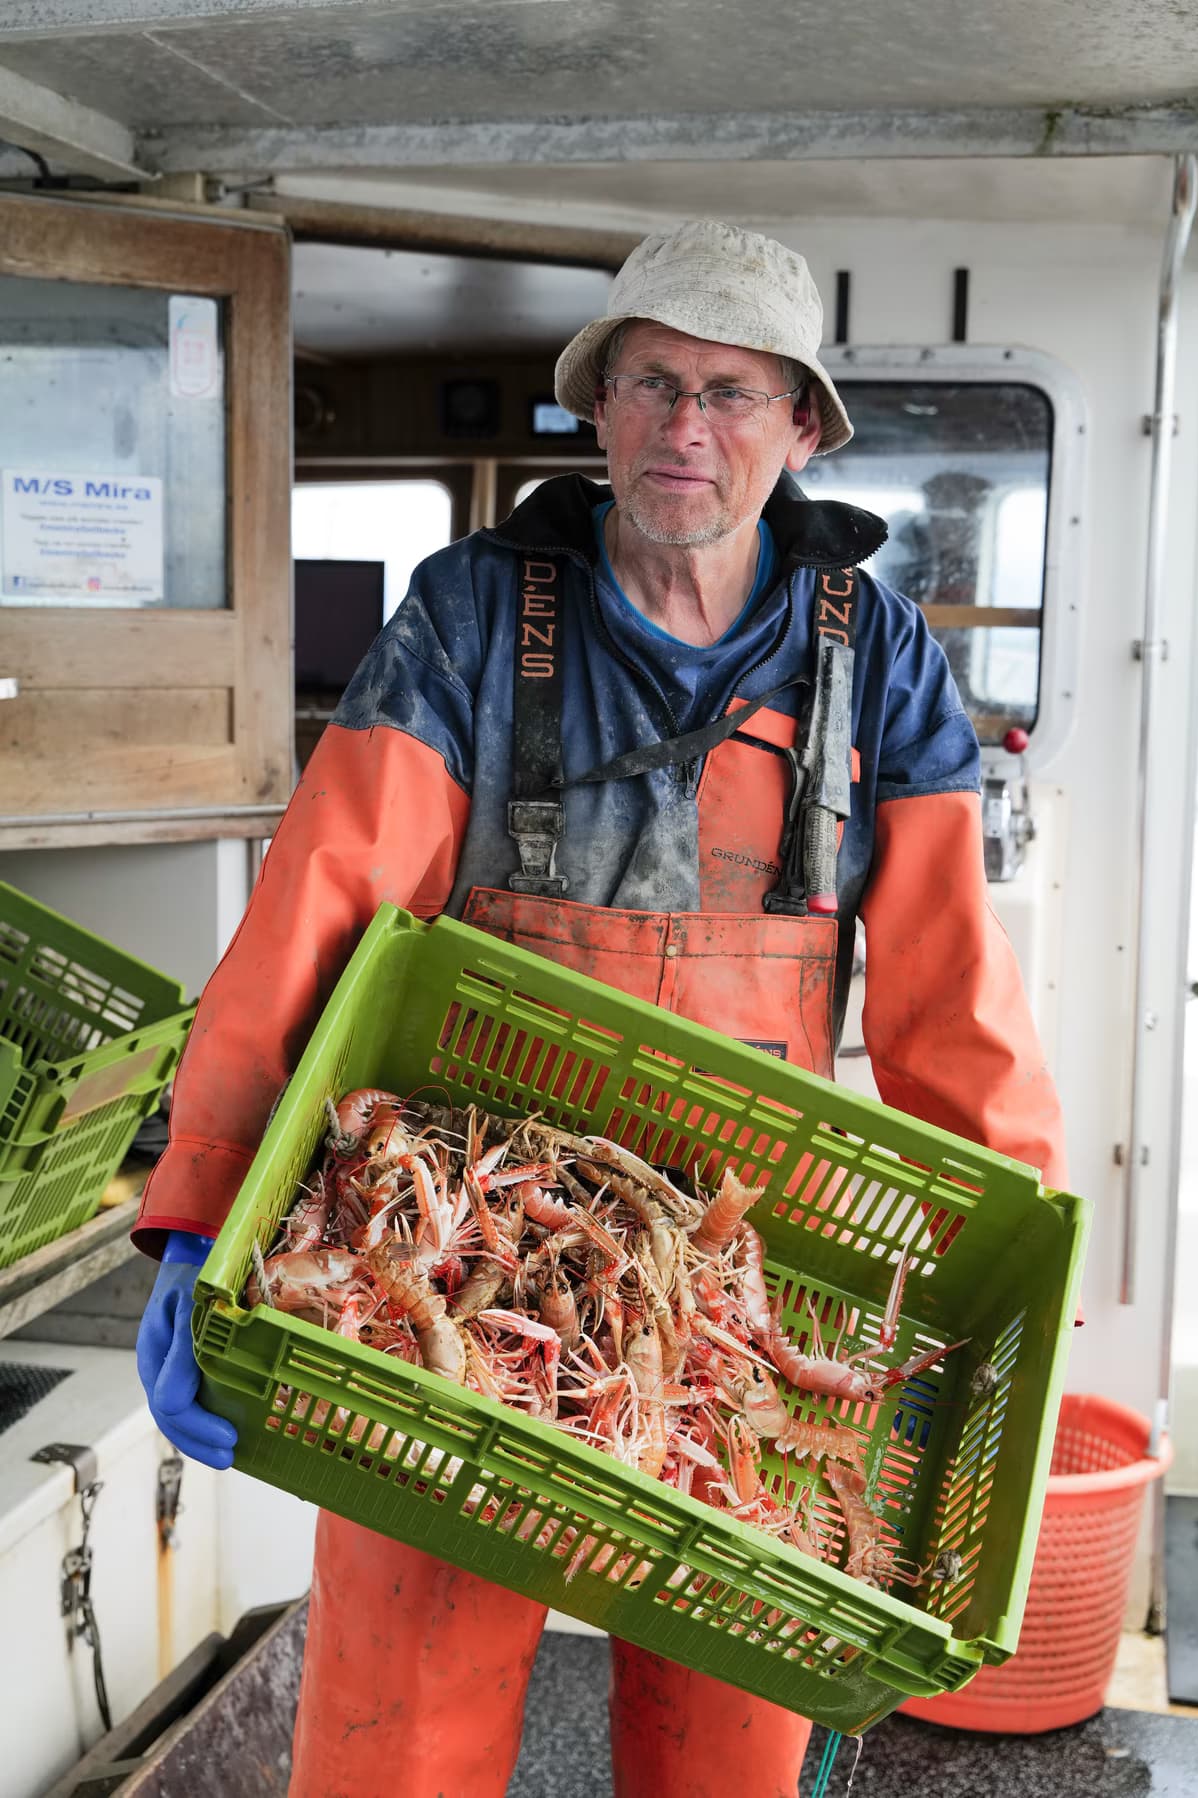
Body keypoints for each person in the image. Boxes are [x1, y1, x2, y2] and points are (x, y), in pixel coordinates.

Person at [135, 220, 1067, 1798]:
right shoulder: (471, 618)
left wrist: (1011, 1318)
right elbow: (318, 904)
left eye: (727, 391)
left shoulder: (880, 659)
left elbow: (953, 1004)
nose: (682, 429)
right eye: (647, 382)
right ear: (598, 405)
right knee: (394, 1714)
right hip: (468, 1243)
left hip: (735, 1259)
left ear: (800, 426)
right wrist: (198, 1212)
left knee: (730, 1737)